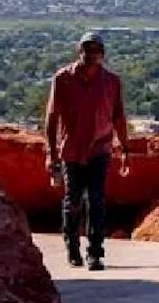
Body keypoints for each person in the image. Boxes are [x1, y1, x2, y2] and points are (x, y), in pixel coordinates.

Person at [44, 32, 131, 270]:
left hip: (100, 148)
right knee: (72, 201)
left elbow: (119, 117)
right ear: (78, 51)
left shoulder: (112, 82)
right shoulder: (63, 79)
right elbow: (52, 119)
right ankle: (72, 247)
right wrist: (51, 154)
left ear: (102, 54)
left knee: (96, 200)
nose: (90, 55)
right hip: (71, 150)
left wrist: (125, 147)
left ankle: (95, 252)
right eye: (86, 49)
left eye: (95, 50)